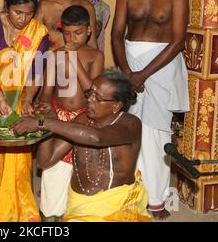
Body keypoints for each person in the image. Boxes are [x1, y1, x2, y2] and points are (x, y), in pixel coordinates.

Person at [111, 0, 189, 220]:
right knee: (128, 129)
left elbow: (178, 40)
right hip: (129, 63)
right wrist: (128, 73)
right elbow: (117, 34)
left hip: (161, 67)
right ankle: (130, 194)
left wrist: (142, 74)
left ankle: (156, 200)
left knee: (156, 134)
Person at [13, 69, 151, 222]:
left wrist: (44, 123)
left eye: (97, 98)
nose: (90, 100)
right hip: (78, 204)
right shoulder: (82, 119)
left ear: (116, 106)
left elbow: (97, 138)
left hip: (114, 206)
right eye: (90, 93)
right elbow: (45, 161)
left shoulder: (130, 124)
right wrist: (46, 122)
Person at [0, 0, 49, 222]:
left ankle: (17, 211)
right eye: (18, 12)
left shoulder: (38, 32)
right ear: (7, 7)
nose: (23, 19)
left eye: (29, 13)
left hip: (18, 103)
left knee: (18, 160)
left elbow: (37, 72)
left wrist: (28, 98)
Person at [36, 5, 103, 220]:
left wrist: (74, 60)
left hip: (85, 119)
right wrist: (45, 106)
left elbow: (92, 93)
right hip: (59, 116)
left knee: (80, 173)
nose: (71, 38)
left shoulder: (96, 56)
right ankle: (50, 215)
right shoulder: (55, 56)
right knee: (53, 171)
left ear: (89, 31)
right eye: (66, 33)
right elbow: (46, 92)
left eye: (78, 33)